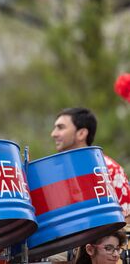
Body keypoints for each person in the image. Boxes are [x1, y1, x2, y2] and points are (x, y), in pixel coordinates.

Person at [48, 107, 130, 263]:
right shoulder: (54, 173)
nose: (54, 133)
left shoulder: (107, 168)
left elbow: (125, 222)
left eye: (61, 127)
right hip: (64, 247)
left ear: (81, 133)